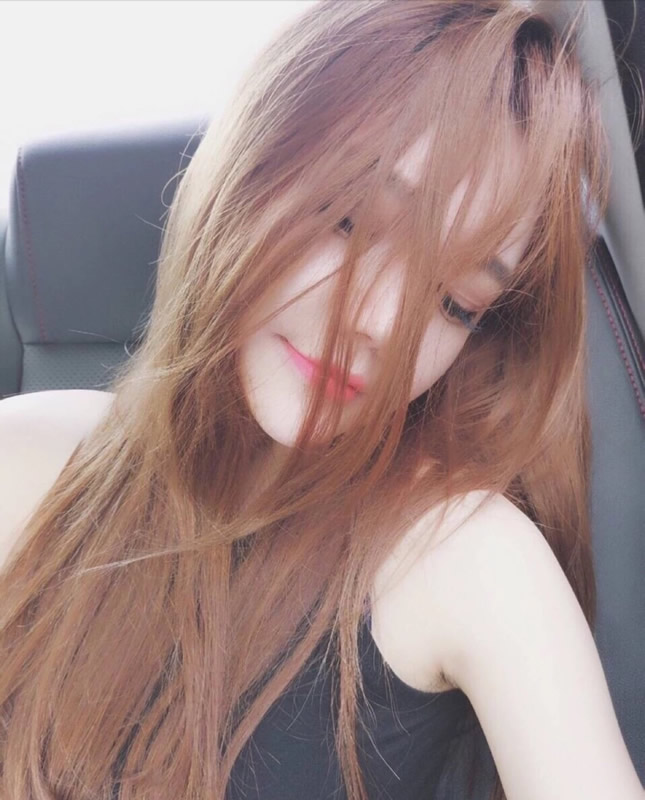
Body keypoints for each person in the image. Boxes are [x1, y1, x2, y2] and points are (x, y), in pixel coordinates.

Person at [0, 1, 643, 799]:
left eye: (455, 303)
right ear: (251, 162)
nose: (381, 325)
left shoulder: (460, 553)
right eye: (349, 221)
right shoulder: (25, 457)